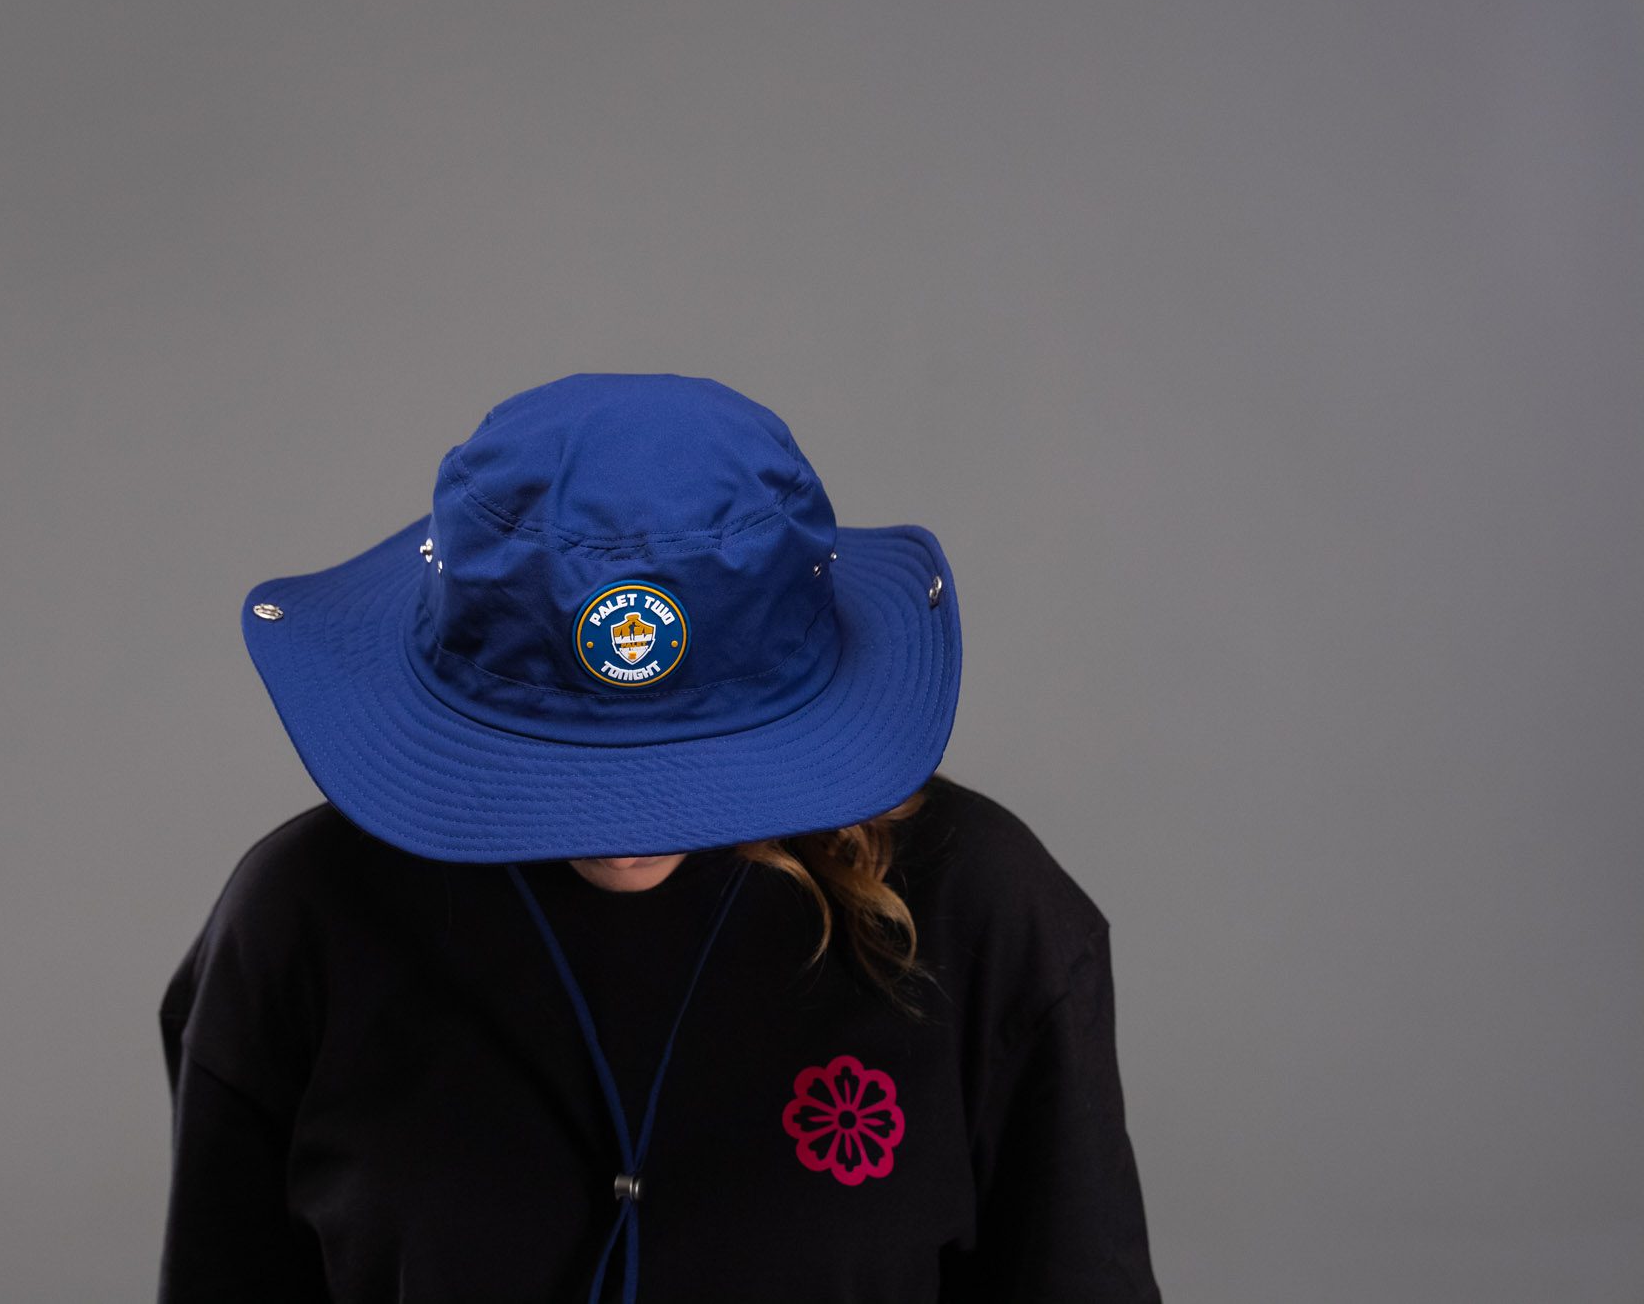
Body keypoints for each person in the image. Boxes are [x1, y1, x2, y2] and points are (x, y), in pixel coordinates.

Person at [155, 373, 1162, 1303]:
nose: (625, 828)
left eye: (677, 759)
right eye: (570, 759)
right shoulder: (297, 924)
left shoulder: (983, 910)